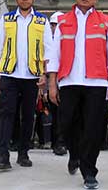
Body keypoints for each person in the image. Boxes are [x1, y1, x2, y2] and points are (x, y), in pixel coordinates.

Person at [47, 0, 108, 189]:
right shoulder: (62, 22)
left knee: (93, 129)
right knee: (67, 124)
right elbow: (54, 54)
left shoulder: (105, 23)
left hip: (96, 83)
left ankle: (89, 171)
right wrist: (52, 82)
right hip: (69, 81)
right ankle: (75, 154)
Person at [0, 0, 52, 170]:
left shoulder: (42, 21)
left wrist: (44, 75)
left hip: (32, 77)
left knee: (28, 116)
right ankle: (3, 155)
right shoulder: (6, 19)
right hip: (9, 75)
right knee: (7, 115)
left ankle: (23, 153)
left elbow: (48, 50)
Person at [48, 11, 67, 156]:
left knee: (65, 115)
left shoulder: (67, 41)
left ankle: (63, 142)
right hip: (51, 84)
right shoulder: (46, 43)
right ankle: (57, 143)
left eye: (57, 24)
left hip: (65, 83)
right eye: (53, 24)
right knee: (55, 116)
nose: (55, 27)